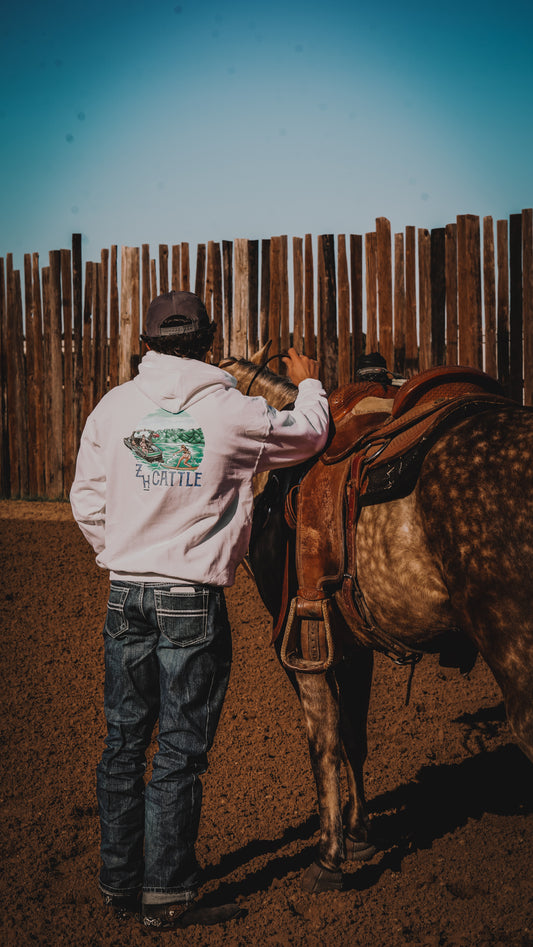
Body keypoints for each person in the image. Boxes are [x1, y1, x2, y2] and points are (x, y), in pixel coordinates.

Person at [70, 290, 329, 930]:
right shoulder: (234, 413)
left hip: (125, 595)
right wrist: (309, 383)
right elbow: (310, 433)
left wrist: (127, 552)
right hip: (192, 602)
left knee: (124, 744)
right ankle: (168, 893)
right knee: (180, 754)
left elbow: (86, 502)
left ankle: (118, 880)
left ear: (148, 342)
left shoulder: (113, 408)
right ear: (208, 343)